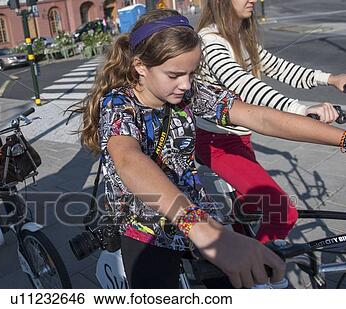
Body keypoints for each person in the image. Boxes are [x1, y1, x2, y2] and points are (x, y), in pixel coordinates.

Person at [78, 9, 346, 288]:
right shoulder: (118, 104)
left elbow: (260, 117)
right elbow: (128, 159)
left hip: (195, 211)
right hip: (147, 228)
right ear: (140, 66)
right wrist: (201, 228)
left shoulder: (187, 91)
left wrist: (341, 138)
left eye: (192, 73)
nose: (186, 84)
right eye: (174, 74)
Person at [195, 0, 346, 243]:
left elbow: (279, 68)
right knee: (282, 212)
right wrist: (301, 109)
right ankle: (259, 273)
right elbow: (245, 85)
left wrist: (330, 78)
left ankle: (235, 241)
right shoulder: (211, 41)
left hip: (240, 138)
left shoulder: (239, 36)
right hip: (217, 143)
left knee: (250, 206)